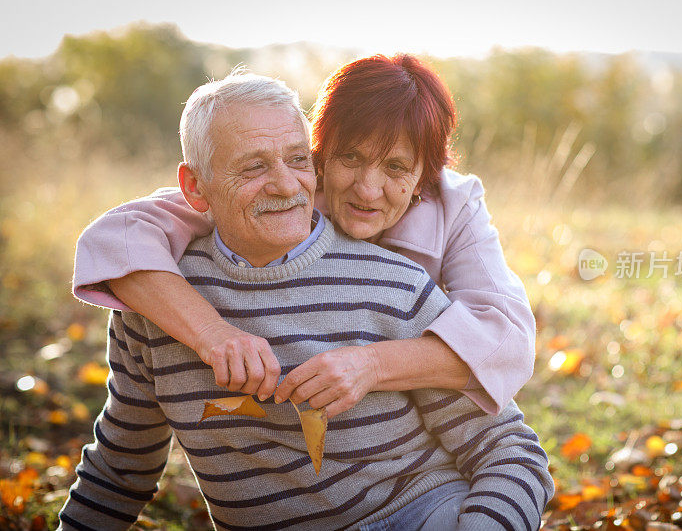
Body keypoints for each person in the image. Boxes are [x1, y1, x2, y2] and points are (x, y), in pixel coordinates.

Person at [59, 72, 554, 530]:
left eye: (296, 161)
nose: (285, 183)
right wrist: (212, 332)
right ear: (196, 187)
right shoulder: (156, 297)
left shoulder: (401, 283)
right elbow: (121, 465)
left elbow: (507, 431)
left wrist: (373, 364)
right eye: (254, 167)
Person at [72, 54, 536, 417]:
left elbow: (507, 340)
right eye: (350, 158)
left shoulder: (454, 205)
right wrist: (212, 333)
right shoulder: (284, 189)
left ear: (424, 176)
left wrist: (370, 364)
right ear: (319, 151)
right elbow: (118, 237)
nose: (367, 189)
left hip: (420, 425)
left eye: (395, 167)